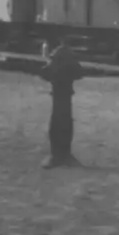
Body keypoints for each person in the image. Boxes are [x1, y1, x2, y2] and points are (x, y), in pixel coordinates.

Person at [38, 35, 85, 169]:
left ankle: (56, 154)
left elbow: (46, 73)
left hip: (58, 92)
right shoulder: (70, 55)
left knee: (56, 122)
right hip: (67, 92)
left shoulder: (56, 54)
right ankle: (66, 154)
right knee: (67, 122)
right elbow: (79, 73)